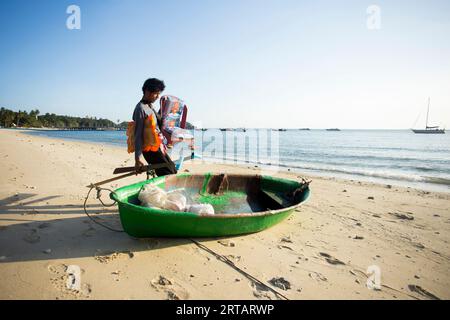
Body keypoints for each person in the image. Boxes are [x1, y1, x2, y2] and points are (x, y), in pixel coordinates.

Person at [133, 78, 177, 176]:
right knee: (167, 173)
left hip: (158, 146)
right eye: (156, 93)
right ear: (147, 91)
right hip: (150, 149)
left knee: (172, 169)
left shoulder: (150, 106)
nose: (158, 96)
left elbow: (158, 123)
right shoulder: (140, 109)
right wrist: (137, 159)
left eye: (159, 93)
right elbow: (138, 135)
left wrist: (165, 106)